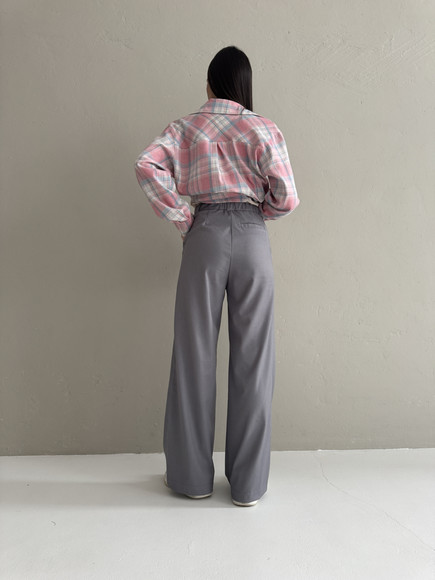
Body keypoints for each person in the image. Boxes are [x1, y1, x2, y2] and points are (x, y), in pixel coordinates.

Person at [134, 45, 300, 507]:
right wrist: (257, 215)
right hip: (252, 236)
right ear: (244, 86)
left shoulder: (186, 127)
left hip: (204, 233)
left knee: (194, 355)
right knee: (254, 360)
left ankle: (192, 480)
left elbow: (146, 164)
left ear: (209, 84)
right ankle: (248, 486)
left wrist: (183, 216)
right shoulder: (262, 127)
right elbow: (287, 197)